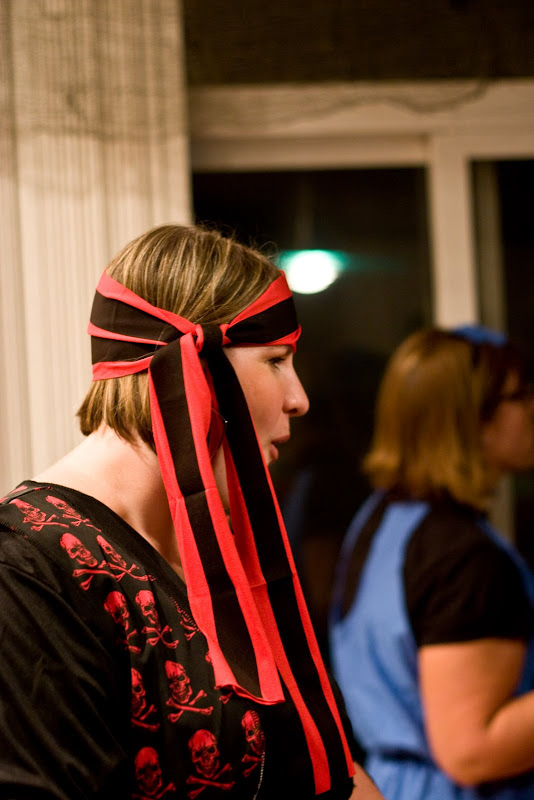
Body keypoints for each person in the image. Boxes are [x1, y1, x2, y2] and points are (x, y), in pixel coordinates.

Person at [0, 224, 383, 800]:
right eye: (276, 360)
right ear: (193, 370)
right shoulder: (26, 570)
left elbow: (326, 767)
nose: (299, 398)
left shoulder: (224, 552)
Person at [330, 325, 534, 800]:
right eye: (519, 396)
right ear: (471, 420)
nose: (531, 409)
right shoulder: (463, 558)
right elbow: (470, 750)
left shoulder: (381, 520)